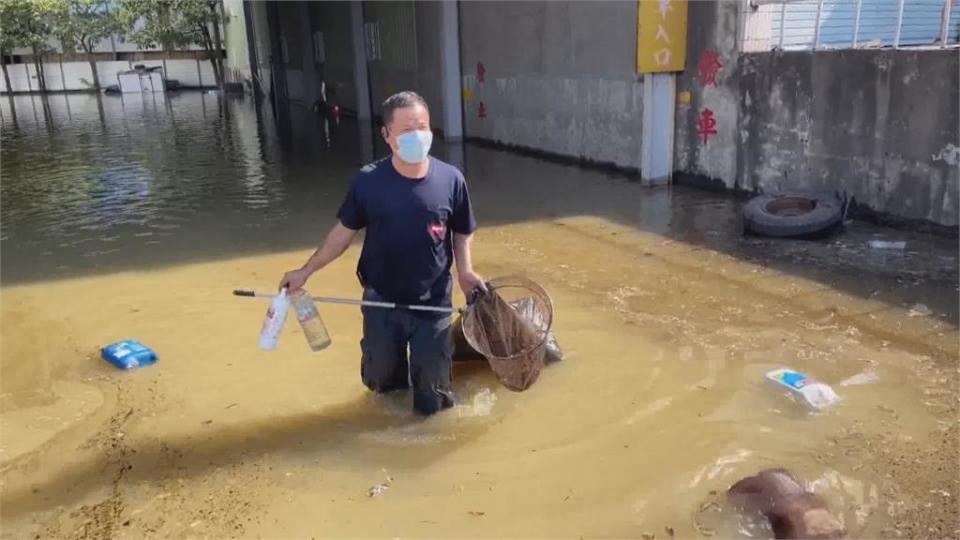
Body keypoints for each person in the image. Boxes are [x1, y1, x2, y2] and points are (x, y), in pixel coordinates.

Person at [279, 91, 485, 416]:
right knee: (383, 391)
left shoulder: (451, 180)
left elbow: (462, 229)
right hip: (380, 302)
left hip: (431, 304)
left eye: (422, 127)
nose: (417, 136)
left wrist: (466, 271)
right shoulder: (368, 182)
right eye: (406, 130)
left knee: (434, 400)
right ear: (387, 135)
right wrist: (305, 271)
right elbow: (341, 236)